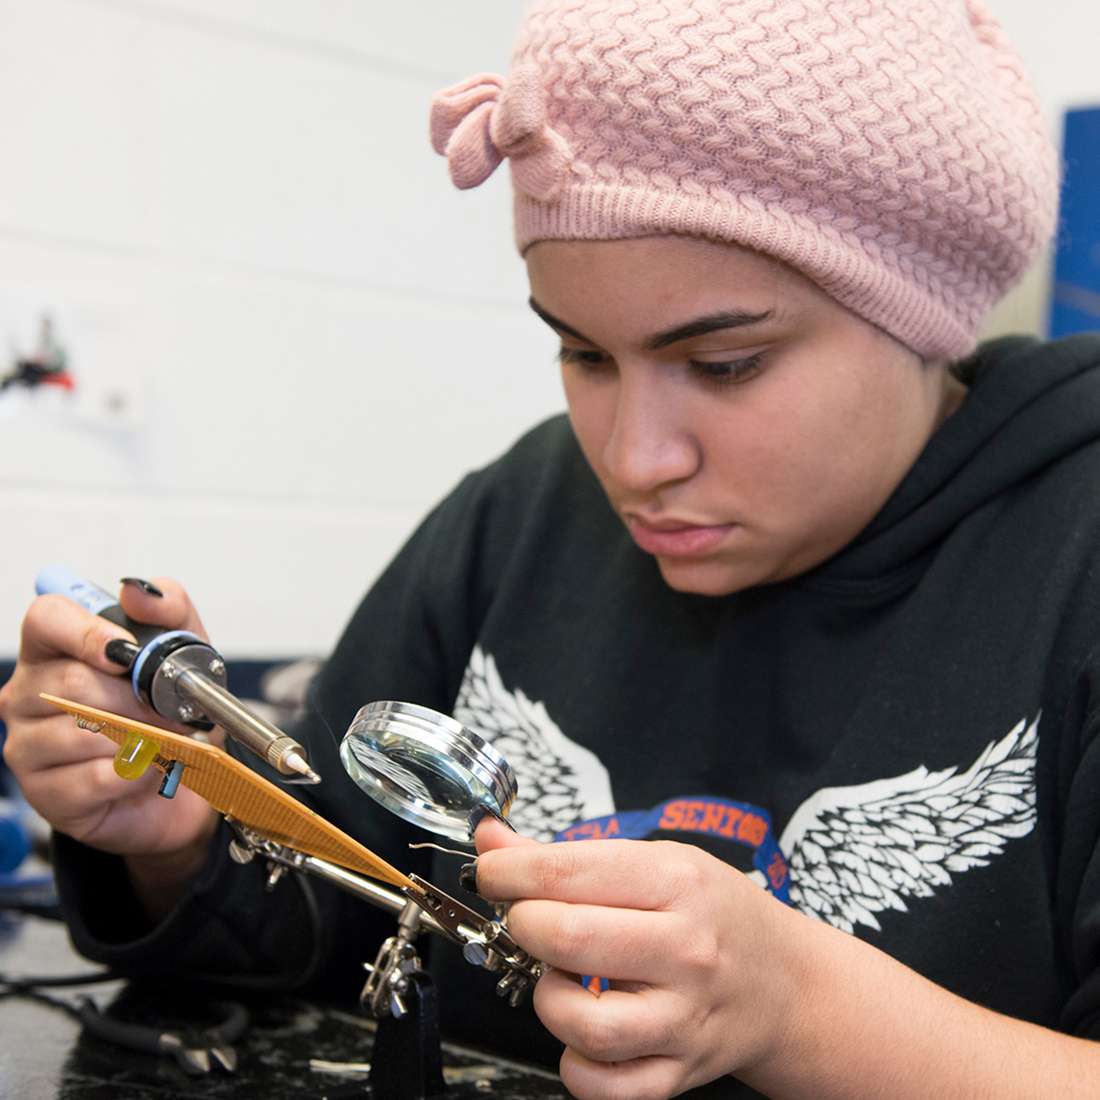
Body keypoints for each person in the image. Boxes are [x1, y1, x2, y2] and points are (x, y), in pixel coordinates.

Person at [3, 1, 1100, 1096]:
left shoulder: (1072, 553)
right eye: (581, 352)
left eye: (724, 363)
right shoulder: (522, 512)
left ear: (922, 315)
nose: (633, 456)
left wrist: (798, 1007)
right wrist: (167, 836)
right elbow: (318, 928)